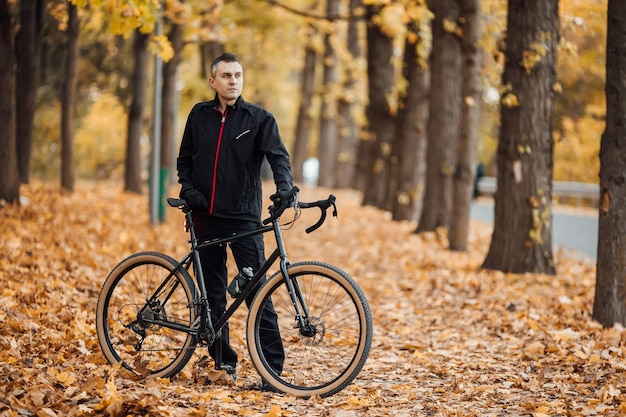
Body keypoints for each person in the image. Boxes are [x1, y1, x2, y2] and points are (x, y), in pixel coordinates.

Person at [176, 52, 293, 391]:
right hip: (205, 217)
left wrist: (285, 187)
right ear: (213, 81)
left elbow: (278, 157)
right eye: (226, 75)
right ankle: (223, 363)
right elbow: (184, 160)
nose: (233, 81)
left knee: (259, 292)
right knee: (212, 296)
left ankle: (272, 373)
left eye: (238, 75)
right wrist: (189, 189)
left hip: (244, 219)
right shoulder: (199, 116)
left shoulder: (259, 119)